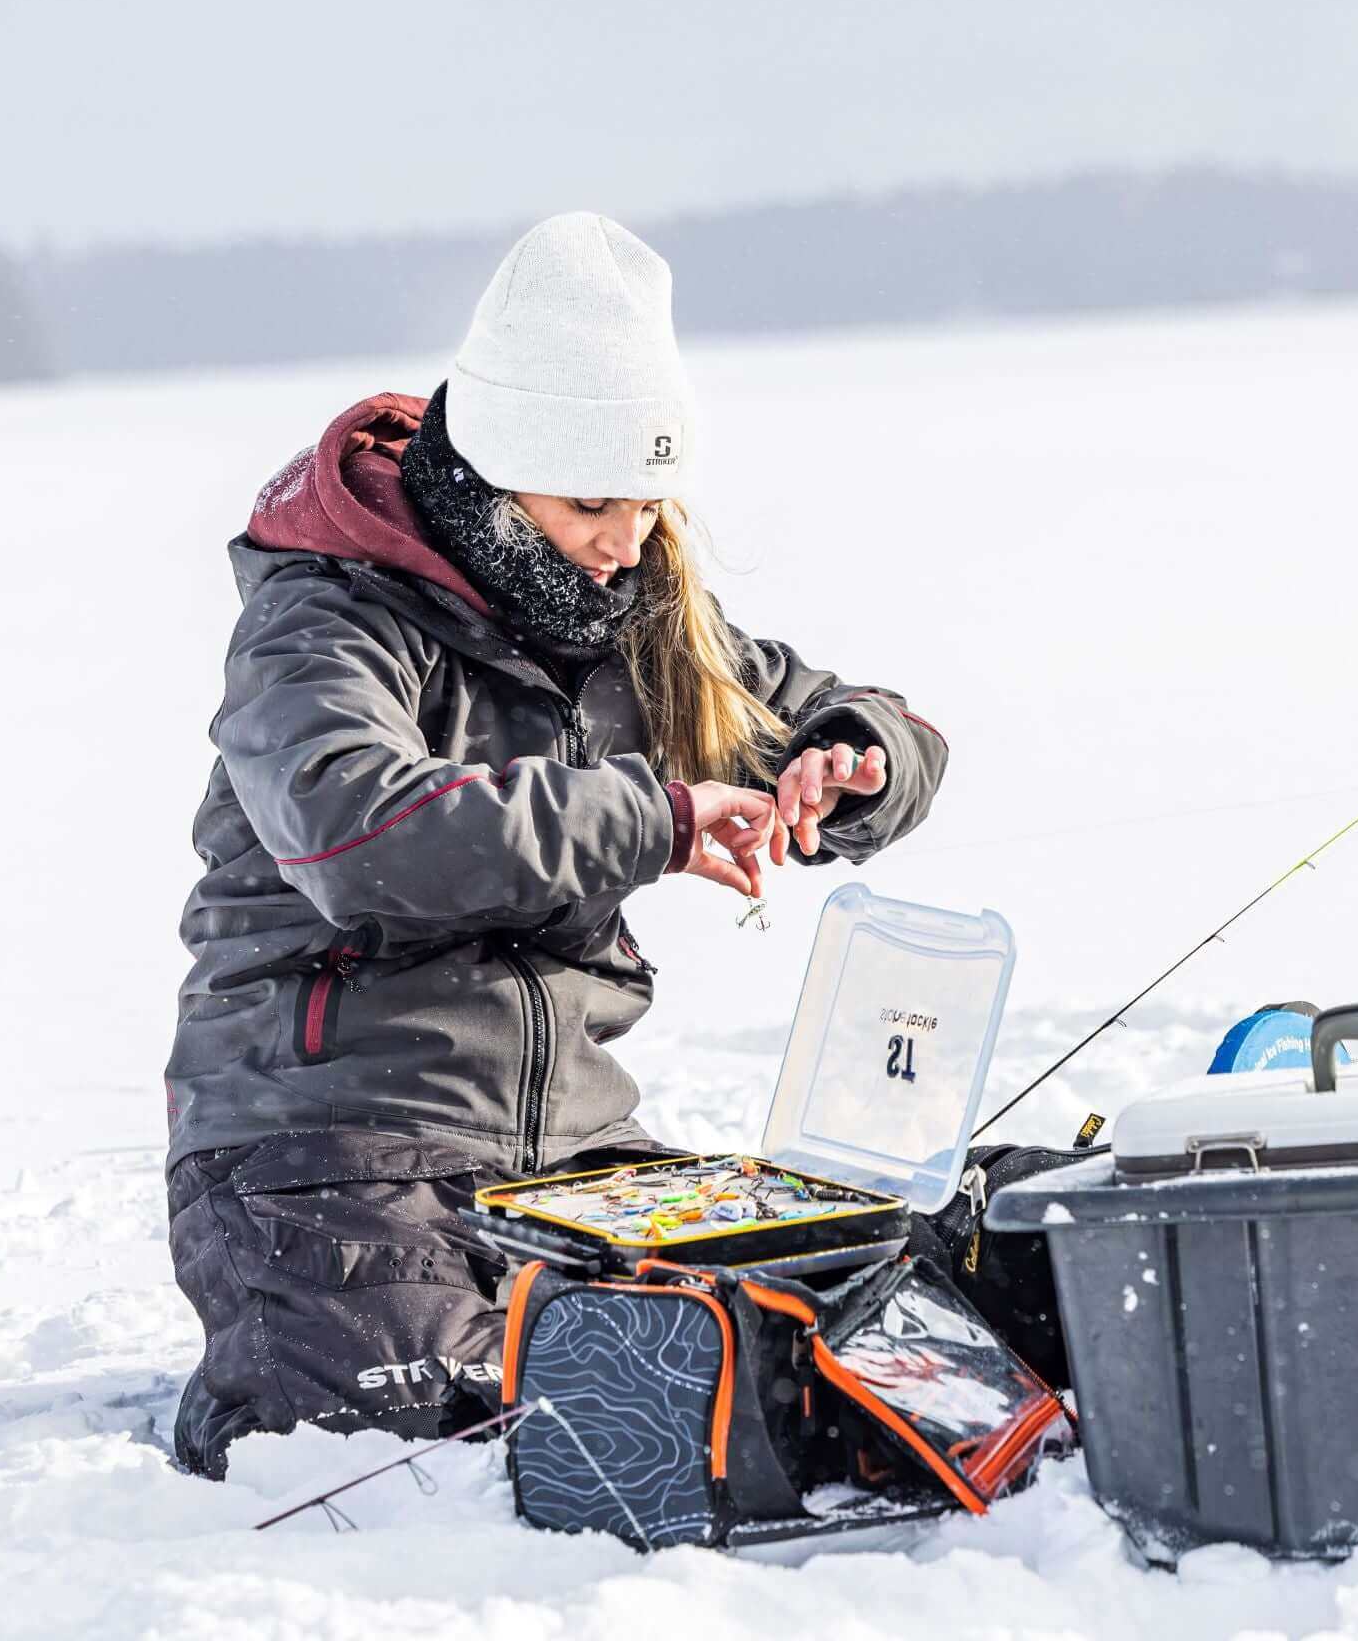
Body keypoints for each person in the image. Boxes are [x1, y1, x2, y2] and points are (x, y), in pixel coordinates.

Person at [162, 214, 949, 1477]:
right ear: (491, 475)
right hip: (325, 1148)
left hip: (577, 1155)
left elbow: (894, 727)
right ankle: (252, 1385)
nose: (625, 540)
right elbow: (360, 833)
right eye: (592, 502)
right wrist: (661, 816)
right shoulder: (322, 620)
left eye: (648, 505)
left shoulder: (632, 615)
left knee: (768, 1388)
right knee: (469, 1444)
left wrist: (850, 762)